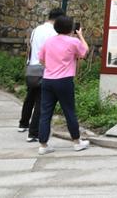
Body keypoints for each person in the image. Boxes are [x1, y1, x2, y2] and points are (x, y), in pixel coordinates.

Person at [37, 15, 89, 155]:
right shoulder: (73, 42)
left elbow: (41, 59)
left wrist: (50, 68)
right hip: (64, 81)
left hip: (48, 80)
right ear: (71, 29)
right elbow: (85, 52)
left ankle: (43, 145)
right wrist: (80, 36)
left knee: (45, 113)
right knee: (69, 111)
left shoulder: (49, 41)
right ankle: (76, 142)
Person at [19, 8, 64, 142]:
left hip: (32, 68)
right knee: (42, 101)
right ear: (58, 19)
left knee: (30, 97)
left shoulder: (36, 29)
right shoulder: (54, 32)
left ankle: (23, 124)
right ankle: (34, 133)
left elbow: (30, 47)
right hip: (45, 69)